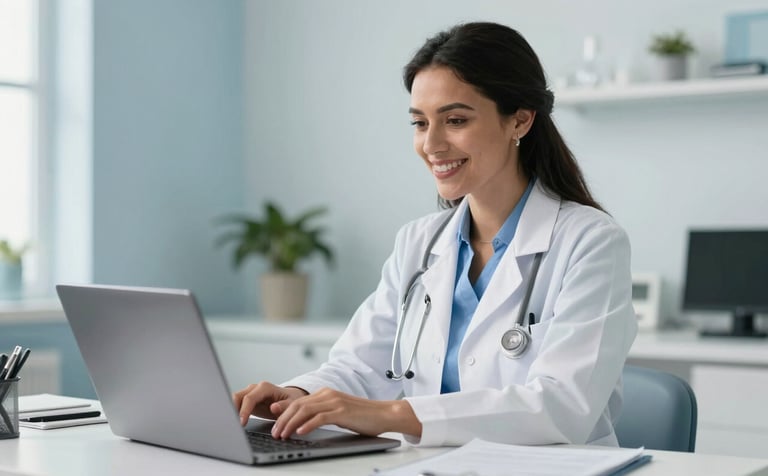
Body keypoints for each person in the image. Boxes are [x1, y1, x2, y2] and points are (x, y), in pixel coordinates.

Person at [234, 21, 637, 447]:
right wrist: (296, 396)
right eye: (420, 123)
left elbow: (563, 406)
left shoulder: (590, 242)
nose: (432, 144)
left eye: (455, 120)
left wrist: (393, 414)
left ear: (519, 120)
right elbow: (360, 367)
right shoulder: (419, 243)